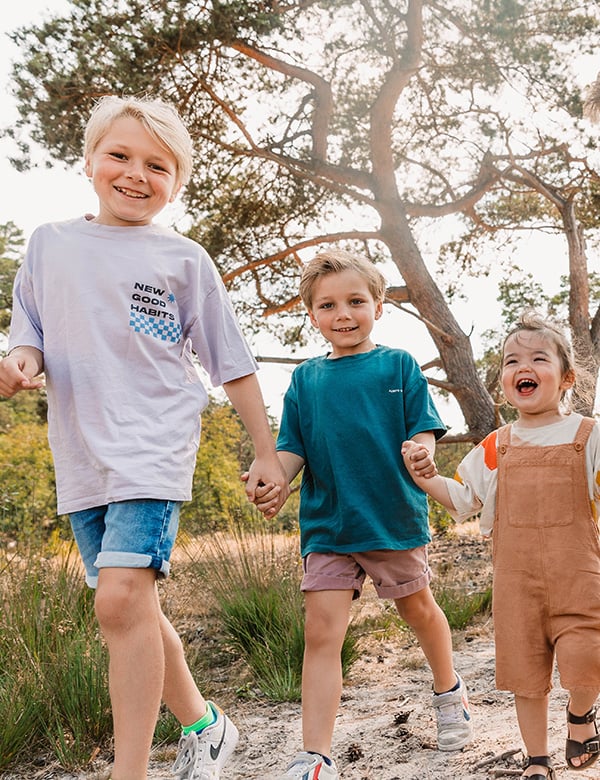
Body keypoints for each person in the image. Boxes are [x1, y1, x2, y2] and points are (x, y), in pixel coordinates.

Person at [0, 94, 289, 780]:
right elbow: (29, 333)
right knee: (127, 604)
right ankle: (204, 724)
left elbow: (231, 360)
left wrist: (265, 450)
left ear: (177, 181)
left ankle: (129, 772)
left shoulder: (184, 259)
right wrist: (20, 364)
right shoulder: (50, 243)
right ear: (91, 162)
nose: (136, 174)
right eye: (120, 156)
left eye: (157, 165)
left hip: (154, 444)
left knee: (120, 598)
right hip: (79, 451)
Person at [252, 249, 474, 780]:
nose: (343, 313)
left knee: (418, 610)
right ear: (312, 316)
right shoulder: (305, 380)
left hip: (390, 517)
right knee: (321, 632)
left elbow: (421, 429)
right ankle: (316, 756)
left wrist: (421, 451)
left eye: (356, 301)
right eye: (328, 305)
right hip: (328, 525)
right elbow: (291, 450)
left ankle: (449, 694)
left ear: (379, 305)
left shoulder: (397, 366)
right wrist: (274, 481)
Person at [402, 311, 600, 780]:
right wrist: (427, 477)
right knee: (526, 677)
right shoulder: (497, 445)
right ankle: (536, 759)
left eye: (537, 358)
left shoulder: (588, 436)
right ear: (504, 381)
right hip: (517, 584)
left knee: (589, 656)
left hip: (582, 576)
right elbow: (465, 499)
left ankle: (580, 716)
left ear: (567, 377)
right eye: (511, 360)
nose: (521, 366)